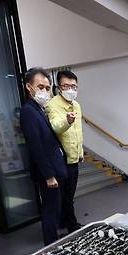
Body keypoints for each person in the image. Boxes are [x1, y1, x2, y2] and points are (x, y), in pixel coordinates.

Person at [19, 68, 68, 245]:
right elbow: (36, 146)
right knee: (50, 211)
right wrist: (49, 175)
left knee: (55, 208)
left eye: (48, 88)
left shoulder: (39, 109)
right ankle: (51, 245)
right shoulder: (28, 111)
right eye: (41, 87)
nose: (45, 91)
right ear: (29, 87)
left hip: (55, 167)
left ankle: (54, 239)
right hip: (49, 173)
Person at [47, 70, 83, 233]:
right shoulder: (53, 104)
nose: (70, 90)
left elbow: (79, 131)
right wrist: (67, 121)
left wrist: (80, 151)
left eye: (74, 86)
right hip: (61, 159)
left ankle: (63, 221)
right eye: (66, 86)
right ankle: (72, 225)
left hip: (75, 158)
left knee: (69, 194)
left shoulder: (76, 105)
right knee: (66, 196)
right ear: (58, 87)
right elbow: (55, 126)